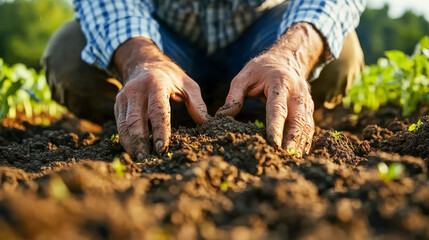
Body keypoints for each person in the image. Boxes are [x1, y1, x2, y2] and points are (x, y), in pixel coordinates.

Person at [42, 0, 365, 159]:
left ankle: (263, 111)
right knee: (70, 56)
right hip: (162, 32)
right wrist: (142, 60)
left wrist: (290, 56)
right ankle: (151, 113)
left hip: (263, 32)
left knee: (342, 55)